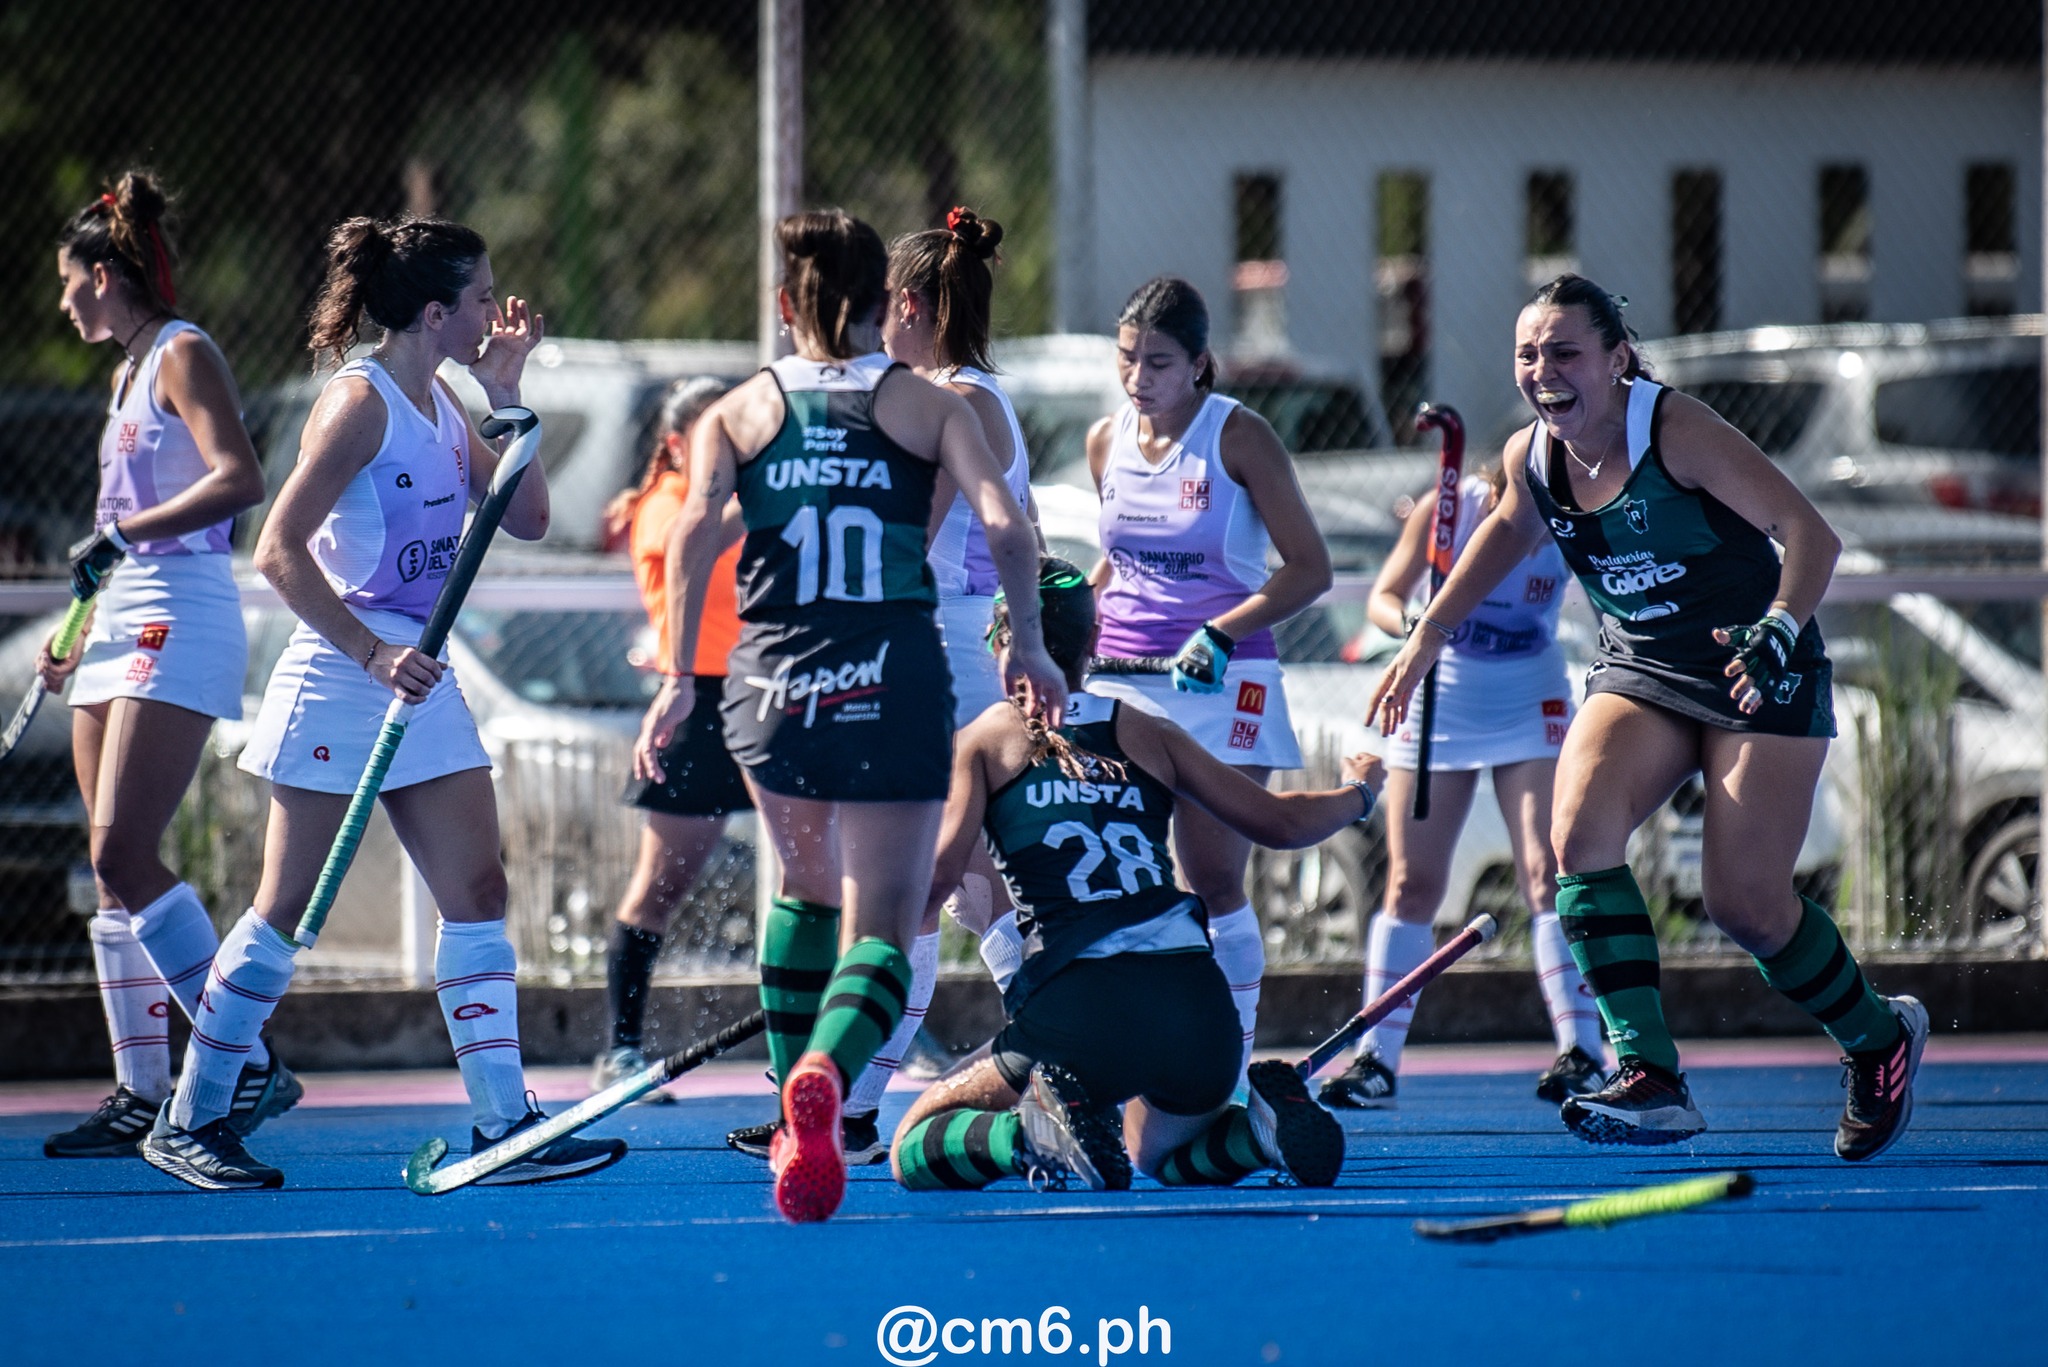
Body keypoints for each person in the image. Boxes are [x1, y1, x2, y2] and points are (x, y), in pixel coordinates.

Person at [1369, 274, 1927, 1158]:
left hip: (1755, 664)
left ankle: (1878, 1037)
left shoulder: (1674, 429)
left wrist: (1780, 629)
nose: (1542, 371)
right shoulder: (1534, 457)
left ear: (1617, 358)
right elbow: (1508, 530)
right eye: (1527, 354)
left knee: (1745, 903)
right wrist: (1424, 637)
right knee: (1577, 833)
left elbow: (1810, 533)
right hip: (1645, 666)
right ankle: (1650, 1075)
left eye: (1564, 352)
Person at [142, 215, 625, 1190]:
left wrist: (506, 394)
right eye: (483, 297)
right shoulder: (356, 405)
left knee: (480, 892)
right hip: (342, 674)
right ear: (437, 310)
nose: (498, 310)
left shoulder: (446, 399)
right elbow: (275, 549)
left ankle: (501, 1121)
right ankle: (192, 1114)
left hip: (421, 675)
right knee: (283, 909)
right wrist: (369, 653)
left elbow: (526, 518)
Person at [632, 208, 1065, 1223]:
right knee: (891, 915)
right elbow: (1006, 524)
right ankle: (832, 1074)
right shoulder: (926, 405)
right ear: (881, 307)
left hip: (775, 682)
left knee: (804, 890)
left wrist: (675, 678)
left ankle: (803, 1119)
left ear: (785, 306)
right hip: (899, 671)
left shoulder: (734, 410)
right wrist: (1035, 640)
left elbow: (696, 533)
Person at [889, 560, 1380, 1193]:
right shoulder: (1147, 731)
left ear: (1003, 648)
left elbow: (933, 885)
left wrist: (861, 949)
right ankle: (1259, 1133)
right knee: (1150, 1151)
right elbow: (1280, 824)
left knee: (912, 1146)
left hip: (1081, 1014)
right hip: (1200, 1012)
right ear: (1094, 644)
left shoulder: (987, 740)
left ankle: (1028, 1134)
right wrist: (1361, 793)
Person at [725, 206, 1043, 1165]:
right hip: (944, 649)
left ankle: (857, 1098)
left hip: (931, 653)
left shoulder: (952, 402)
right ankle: (857, 1097)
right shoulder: (959, 397)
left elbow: (909, 528)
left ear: (904, 306)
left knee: (916, 893)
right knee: (968, 893)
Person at [38, 171, 272, 1158]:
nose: (61, 300)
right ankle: (140, 1090)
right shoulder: (125, 370)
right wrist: (74, 630)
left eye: (67, 281)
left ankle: (243, 1052)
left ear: (103, 273)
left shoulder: (181, 352)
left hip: (180, 608)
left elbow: (239, 478)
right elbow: (111, 532)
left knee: (122, 852)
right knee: (110, 871)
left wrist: (123, 538)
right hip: (124, 611)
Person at [1083, 277, 1332, 1088]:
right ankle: (1130, 1055)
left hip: (1226, 679)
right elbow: (1117, 567)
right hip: (1123, 678)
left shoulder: (1241, 437)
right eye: (1126, 360)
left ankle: (1223, 1072)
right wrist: (1055, 619)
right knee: (1117, 874)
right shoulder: (1104, 441)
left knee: (1213, 872)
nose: (1137, 379)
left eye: (1157, 363)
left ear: (1198, 364)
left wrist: (1220, 632)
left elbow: (1310, 569)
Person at [1319, 464, 1607, 1111]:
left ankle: (1583, 1050)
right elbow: (1383, 597)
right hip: (1444, 692)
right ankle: (1376, 1059)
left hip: (1528, 690)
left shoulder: (1575, 510)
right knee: (1411, 881)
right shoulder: (1452, 507)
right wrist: (1413, 619)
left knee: (1547, 869)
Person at [588, 376, 754, 1107]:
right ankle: (620, 1048)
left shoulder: (738, 500)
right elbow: (705, 544)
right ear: (679, 443)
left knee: (837, 868)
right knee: (661, 884)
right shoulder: (664, 509)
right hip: (698, 701)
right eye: (717, 429)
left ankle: (869, 1030)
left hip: (766, 693)